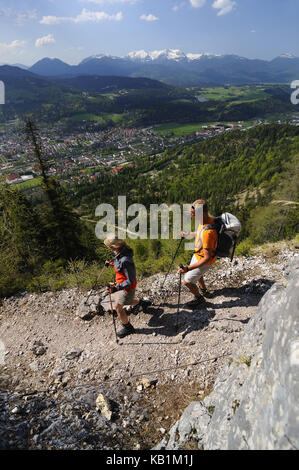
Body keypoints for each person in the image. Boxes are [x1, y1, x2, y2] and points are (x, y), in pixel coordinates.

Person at [104, 238, 149, 338]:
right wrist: (111, 263)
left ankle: (128, 328)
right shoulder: (120, 252)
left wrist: (116, 288)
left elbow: (130, 280)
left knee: (118, 306)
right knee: (127, 301)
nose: (110, 249)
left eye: (110, 247)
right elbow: (119, 264)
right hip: (120, 284)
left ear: (114, 246)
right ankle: (142, 303)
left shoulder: (126, 259)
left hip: (126, 287)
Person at [178, 200, 217, 309]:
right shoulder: (206, 221)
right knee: (197, 276)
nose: (191, 216)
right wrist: (189, 234)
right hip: (198, 255)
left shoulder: (208, 232)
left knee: (187, 281)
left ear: (201, 213)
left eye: (193, 214)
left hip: (204, 260)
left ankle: (199, 298)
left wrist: (187, 268)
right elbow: (200, 232)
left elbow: (207, 258)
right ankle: (203, 290)